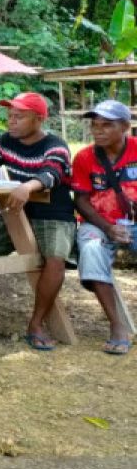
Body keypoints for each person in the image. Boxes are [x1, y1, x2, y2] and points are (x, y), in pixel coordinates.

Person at [0, 92, 75, 351]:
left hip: (54, 214)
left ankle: (36, 324)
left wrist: (27, 186)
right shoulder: (5, 142)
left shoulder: (56, 145)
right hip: (16, 212)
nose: (11, 121)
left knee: (55, 259)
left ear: (39, 119)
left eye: (19, 117)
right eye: (10, 116)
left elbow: (51, 174)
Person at [69, 100, 135, 355]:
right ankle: (117, 325)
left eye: (106, 125)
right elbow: (82, 201)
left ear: (125, 127)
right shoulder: (85, 157)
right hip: (99, 223)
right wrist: (108, 228)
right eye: (95, 125)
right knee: (91, 249)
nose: (98, 131)